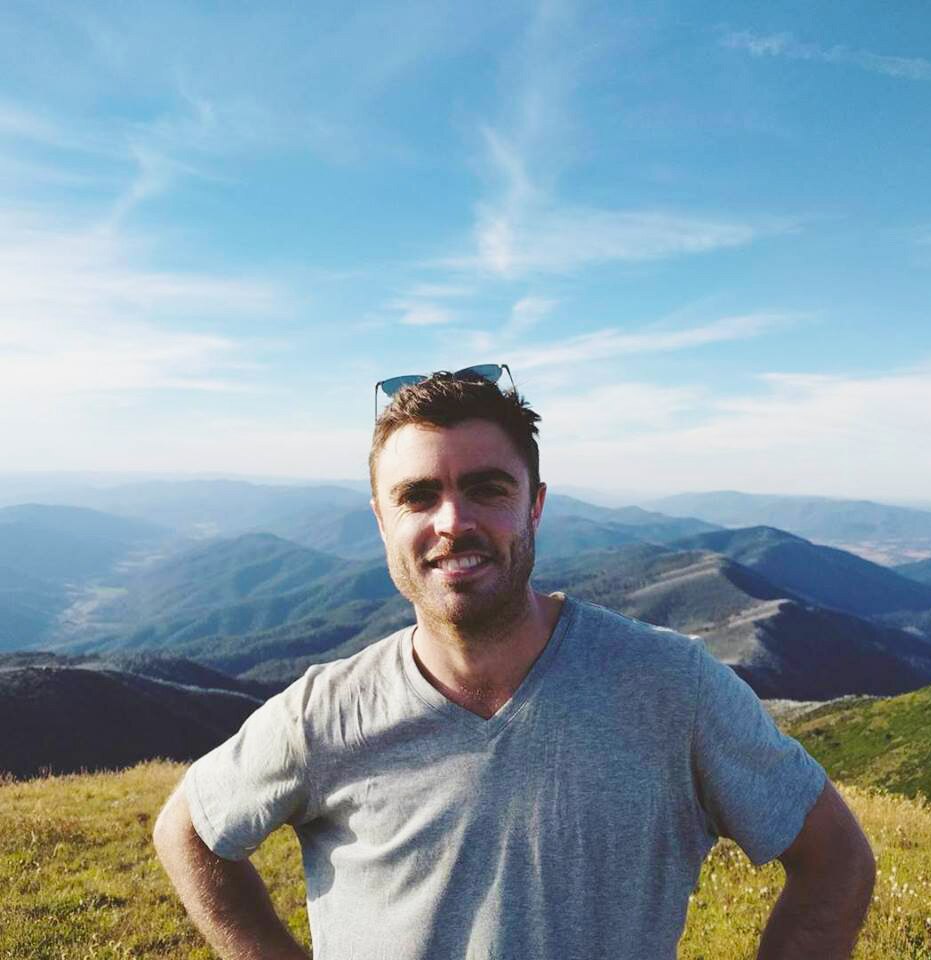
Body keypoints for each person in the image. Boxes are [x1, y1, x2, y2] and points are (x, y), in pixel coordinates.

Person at [153, 367, 876, 960]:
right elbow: (186, 831)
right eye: (418, 496)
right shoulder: (325, 711)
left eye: (487, 489)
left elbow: (836, 862)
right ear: (382, 521)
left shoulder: (671, 688)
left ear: (534, 506)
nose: (452, 522)